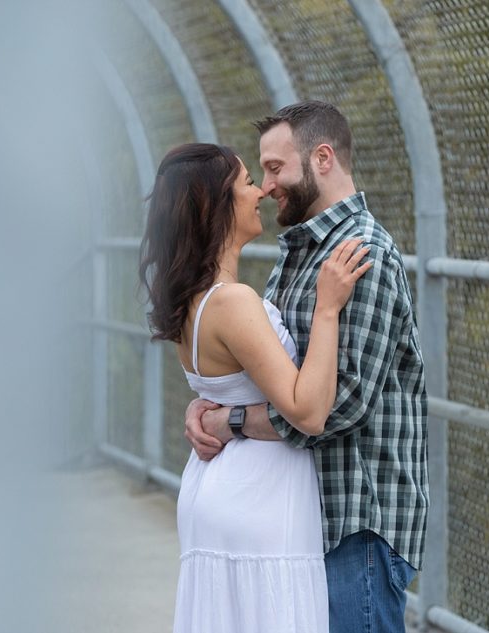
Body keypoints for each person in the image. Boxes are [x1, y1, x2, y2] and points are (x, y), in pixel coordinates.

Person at [186, 100, 429, 633]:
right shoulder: (298, 253)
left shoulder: (363, 254)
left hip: (355, 527)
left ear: (322, 158)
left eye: (275, 168)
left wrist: (228, 423)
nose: (267, 185)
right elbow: (271, 372)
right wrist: (208, 403)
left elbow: (339, 406)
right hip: (299, 524)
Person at [138, 142, 372, 633]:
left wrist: (212, 414)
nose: (261, 191)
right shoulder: (232, 301)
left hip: (218, 489)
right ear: (216, 206)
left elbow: (226, 388)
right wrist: (327, 309)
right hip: (260, 500)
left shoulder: (195, 304)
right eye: (246, 182)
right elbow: (307, 412)